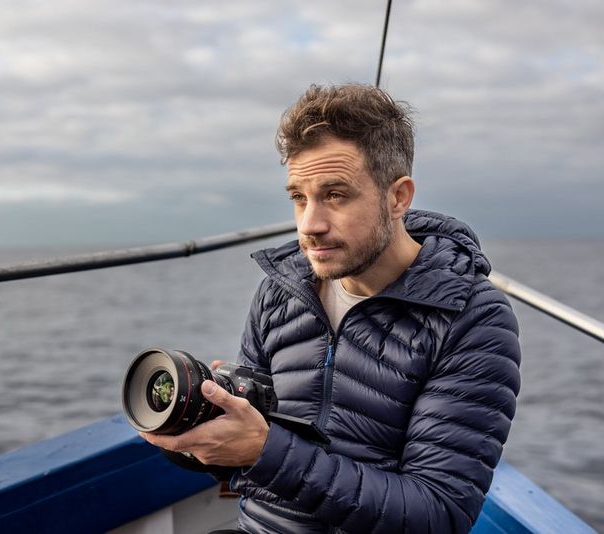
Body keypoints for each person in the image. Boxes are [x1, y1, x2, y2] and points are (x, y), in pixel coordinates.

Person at [140, 83, 521, 533]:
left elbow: (437, 513)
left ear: (398, 197)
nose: (309, 225)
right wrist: (198, 435)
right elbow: (252, 460)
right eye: (299, 197)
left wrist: (264, 451)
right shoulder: (280, 292)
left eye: (335, 195)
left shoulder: (471, 317)